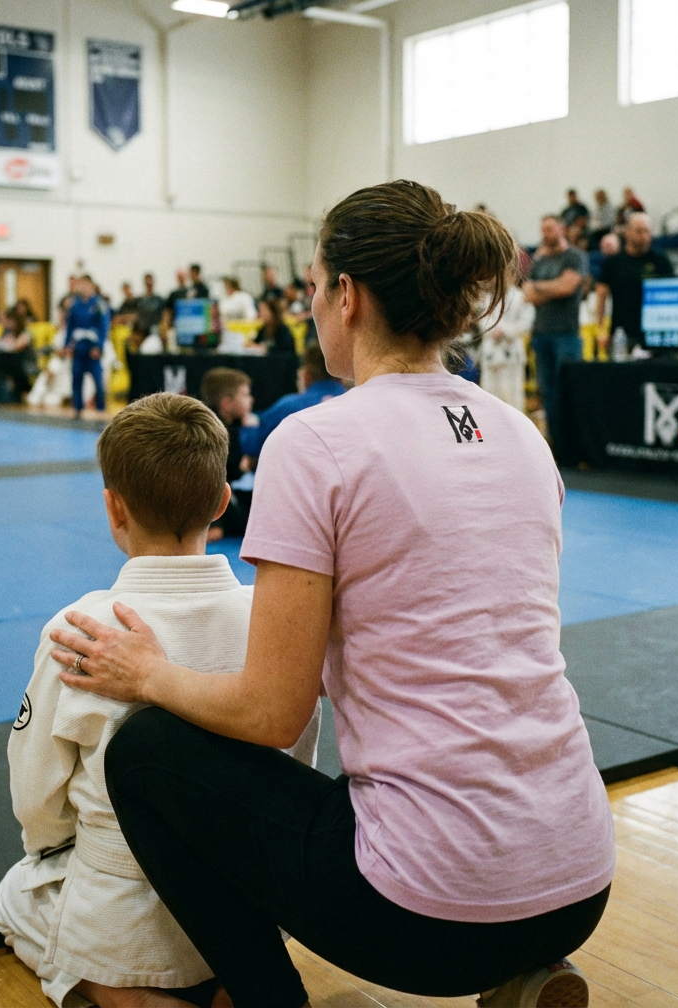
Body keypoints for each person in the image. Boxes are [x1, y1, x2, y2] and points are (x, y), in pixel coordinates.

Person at [49, 180, 614, 1008]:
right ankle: (525, 968)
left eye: (314, 287)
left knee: (144, 754)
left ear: (346, 296)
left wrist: (148, 674)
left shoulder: (316, 441)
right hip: (581, 876)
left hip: (428, 913)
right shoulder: (524, 434)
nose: (311, 307)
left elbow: (272, 713)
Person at [0, 393, 321, 1008]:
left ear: (112, 508)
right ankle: (221, 982)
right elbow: (294, 757)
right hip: (250, 897)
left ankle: (123, 993)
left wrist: (51, 845)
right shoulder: (273, 621)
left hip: (120, 899)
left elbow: (35, 788)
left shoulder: (80, 628)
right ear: (224, 500)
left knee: (16, 895)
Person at [522, 216, 586, 455]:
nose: (545, 233)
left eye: (550, 228)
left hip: (566, 335)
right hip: (542, 334)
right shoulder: (539, 261)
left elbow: (568, 287)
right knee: (546, 390)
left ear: (562, 229)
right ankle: (555, 442)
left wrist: (541, 287)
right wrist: (553, 288)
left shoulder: (575, 257)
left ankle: (572, 444)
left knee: (568, 389)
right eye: (542, 229)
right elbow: (528, 294)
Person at [238, 344, 345, 463]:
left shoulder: (289, 406)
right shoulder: (353, 403)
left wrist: (248, 424)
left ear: (305, 376)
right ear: (342, 378)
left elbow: (253, 445)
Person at [595, 213, 674, 355]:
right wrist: (600, 330)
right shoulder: (614, 263)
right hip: (622, 335)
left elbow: (674, 295)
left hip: (655, 335)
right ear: (627, 233)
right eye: (639, 231)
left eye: (647, 231)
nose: (643, 236)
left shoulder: (660, 260)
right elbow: (601, 296)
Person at [200, 368, 255, 540]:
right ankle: (213, 526)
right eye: (245, 395)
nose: (250, 400)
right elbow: (224, 469)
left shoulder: (231, 426)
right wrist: (245, 465)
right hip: (205, 493)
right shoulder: (217, 431)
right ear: (226, 403)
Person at [478, 282, 535, 412]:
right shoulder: (487, 297)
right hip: (490, 353)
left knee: (513, 397)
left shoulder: (520, 296)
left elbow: (526, 322)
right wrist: (493, 330)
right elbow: (481, 320)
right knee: (489, 395)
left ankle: (515, 431)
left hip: (511, 352)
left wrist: (504, 330)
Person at [66, 275, 110, 419]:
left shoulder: (99, 304)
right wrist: (67, 345)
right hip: (79, 348)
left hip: (93, 349)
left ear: (91, 285)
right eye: (80, 285)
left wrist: (99, 346)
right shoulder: (75, 305)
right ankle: (77, 407)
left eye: (85, 285)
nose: (82, 288)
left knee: (98, 380)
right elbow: (70, 328)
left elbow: (104, 327)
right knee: (76, 378)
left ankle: (101, 409)